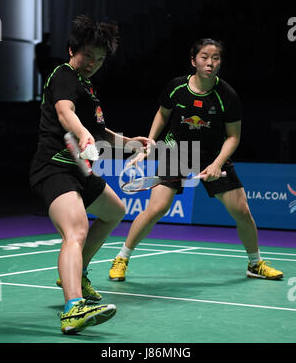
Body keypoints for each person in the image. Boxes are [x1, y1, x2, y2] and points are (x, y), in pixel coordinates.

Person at [109, 38, 284, 282]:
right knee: (157, 208)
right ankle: (122, 257)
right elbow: (162, 114)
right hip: (176, 151)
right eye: (204, 57)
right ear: (193, 61)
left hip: (212, 154)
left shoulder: (227, 95)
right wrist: (149, 143)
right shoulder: (176, 87)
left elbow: (233, 137)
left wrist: (217, 164)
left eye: (215, 58)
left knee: (242, 211)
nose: (210, 62)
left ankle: (255, 264)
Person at [29, 15, 152, 334]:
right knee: (77, 228)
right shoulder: (64, 74)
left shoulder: (87, 87)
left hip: (78, 170)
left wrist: (130, 143)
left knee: (115, 211)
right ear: (72, 50)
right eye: (88, 56)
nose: (92, 64)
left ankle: (76, 271)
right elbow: (64, 112)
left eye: (99, 60)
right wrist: (83, 134)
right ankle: (72, 308)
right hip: (54, 166)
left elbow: (100, 133)